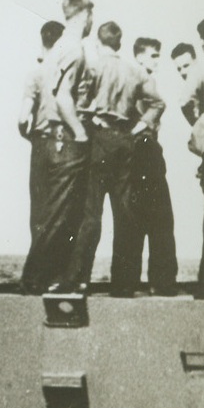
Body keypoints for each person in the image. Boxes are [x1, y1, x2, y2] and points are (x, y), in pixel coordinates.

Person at [66, 21, 164, 295]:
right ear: (120, 44)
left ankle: (77, 279)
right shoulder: (134, 70)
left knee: (91, 212)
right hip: (126, 142)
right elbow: (158, 103)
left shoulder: (95, 67)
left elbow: (81, 105)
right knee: (125, 212)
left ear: (99, 43)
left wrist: (90, 119)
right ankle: (124, 283)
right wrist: (137, 128)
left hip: (100, 140)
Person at [20, 0, 94, 294]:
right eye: (91, 15)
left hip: (50, 139)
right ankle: (35, 279)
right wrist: (80, 132)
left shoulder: (55, 50)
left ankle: (44, 278)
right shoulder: (75, 50)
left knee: (51, 213)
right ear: (85, 14)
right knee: (62, 216)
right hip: (66, 139)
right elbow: (64, 97)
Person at [18, 21, 66, 294]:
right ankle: (55, 274)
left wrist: (33, 137)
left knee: (39, 212)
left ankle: (35, 276)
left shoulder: (35, 74)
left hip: (41, 144)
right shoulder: (71, 74)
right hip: (67, 144)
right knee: (62, 212)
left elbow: (23, 118)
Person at [128, 37, 178, 295]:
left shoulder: (137, 79)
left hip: (139, 153)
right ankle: (162, 282)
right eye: (154, 55)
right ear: (139, 56)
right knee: (161, 219)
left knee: (138, 218)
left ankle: (130, 281)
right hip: (146, 150)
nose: (158, 60)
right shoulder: (142, 81)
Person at [180, 18, 204, 297]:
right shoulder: (201, 72)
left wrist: (200, 128)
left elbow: (186, 103)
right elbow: (185, 102)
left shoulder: (201, 72)